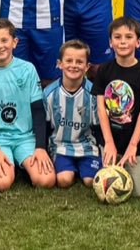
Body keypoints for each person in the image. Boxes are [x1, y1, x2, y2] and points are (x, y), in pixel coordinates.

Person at [0, 18, 56, 190]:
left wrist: (40, 147)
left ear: (15, 42)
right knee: (1, 184)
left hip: (25, 138)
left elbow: (38, 111)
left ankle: (22, 164)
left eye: (4, 40)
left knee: (46, 181)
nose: (0, 46)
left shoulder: (27, 69)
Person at [87, 16, 140, 198]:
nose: (123, 42)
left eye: (128, 37)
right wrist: (109, 143)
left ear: (138, 42)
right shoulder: (104, 70)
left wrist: (133, 146)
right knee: (110, 181)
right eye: (117, 37)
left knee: (139, 192)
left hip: (138, 141)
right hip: (112, 139)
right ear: (111, 43)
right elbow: (101, 107)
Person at [44, 40, 101, 188]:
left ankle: (83, 169)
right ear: (60, 63)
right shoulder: (50, 93)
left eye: (79, 62)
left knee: (91, 181)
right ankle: (69, 169)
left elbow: (98, 127)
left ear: (87, 66)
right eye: (69, 61)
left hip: (87, 146)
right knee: (64, 181)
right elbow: (45, 126)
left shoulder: (94, 93)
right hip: (60, 146)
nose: (73, 65)